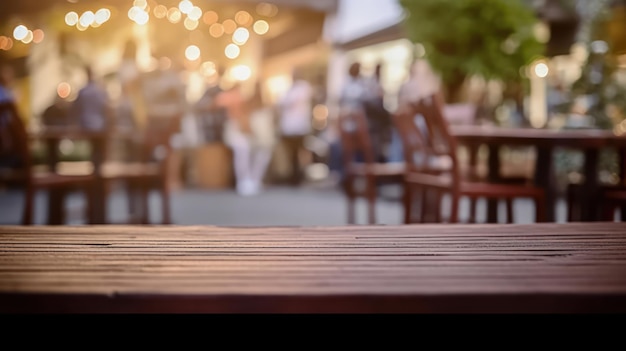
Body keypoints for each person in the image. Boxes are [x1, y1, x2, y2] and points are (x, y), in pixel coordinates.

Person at [216, 81, 274, 196]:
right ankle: (244, 181)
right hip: (238, 134)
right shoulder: (234, 101)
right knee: (243, 149)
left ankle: (254, 180)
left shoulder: (256, 107)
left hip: (251, 135)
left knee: (263, 152)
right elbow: (241, 123)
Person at [277, 68, 313, 186]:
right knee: (291, 153)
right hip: (289, 128)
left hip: (300, 127)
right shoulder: (289, 89)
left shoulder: (303, 88)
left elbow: (288, 102)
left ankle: (300, 175)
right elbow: (280, 103)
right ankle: (293, 175)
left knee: (300, 152)